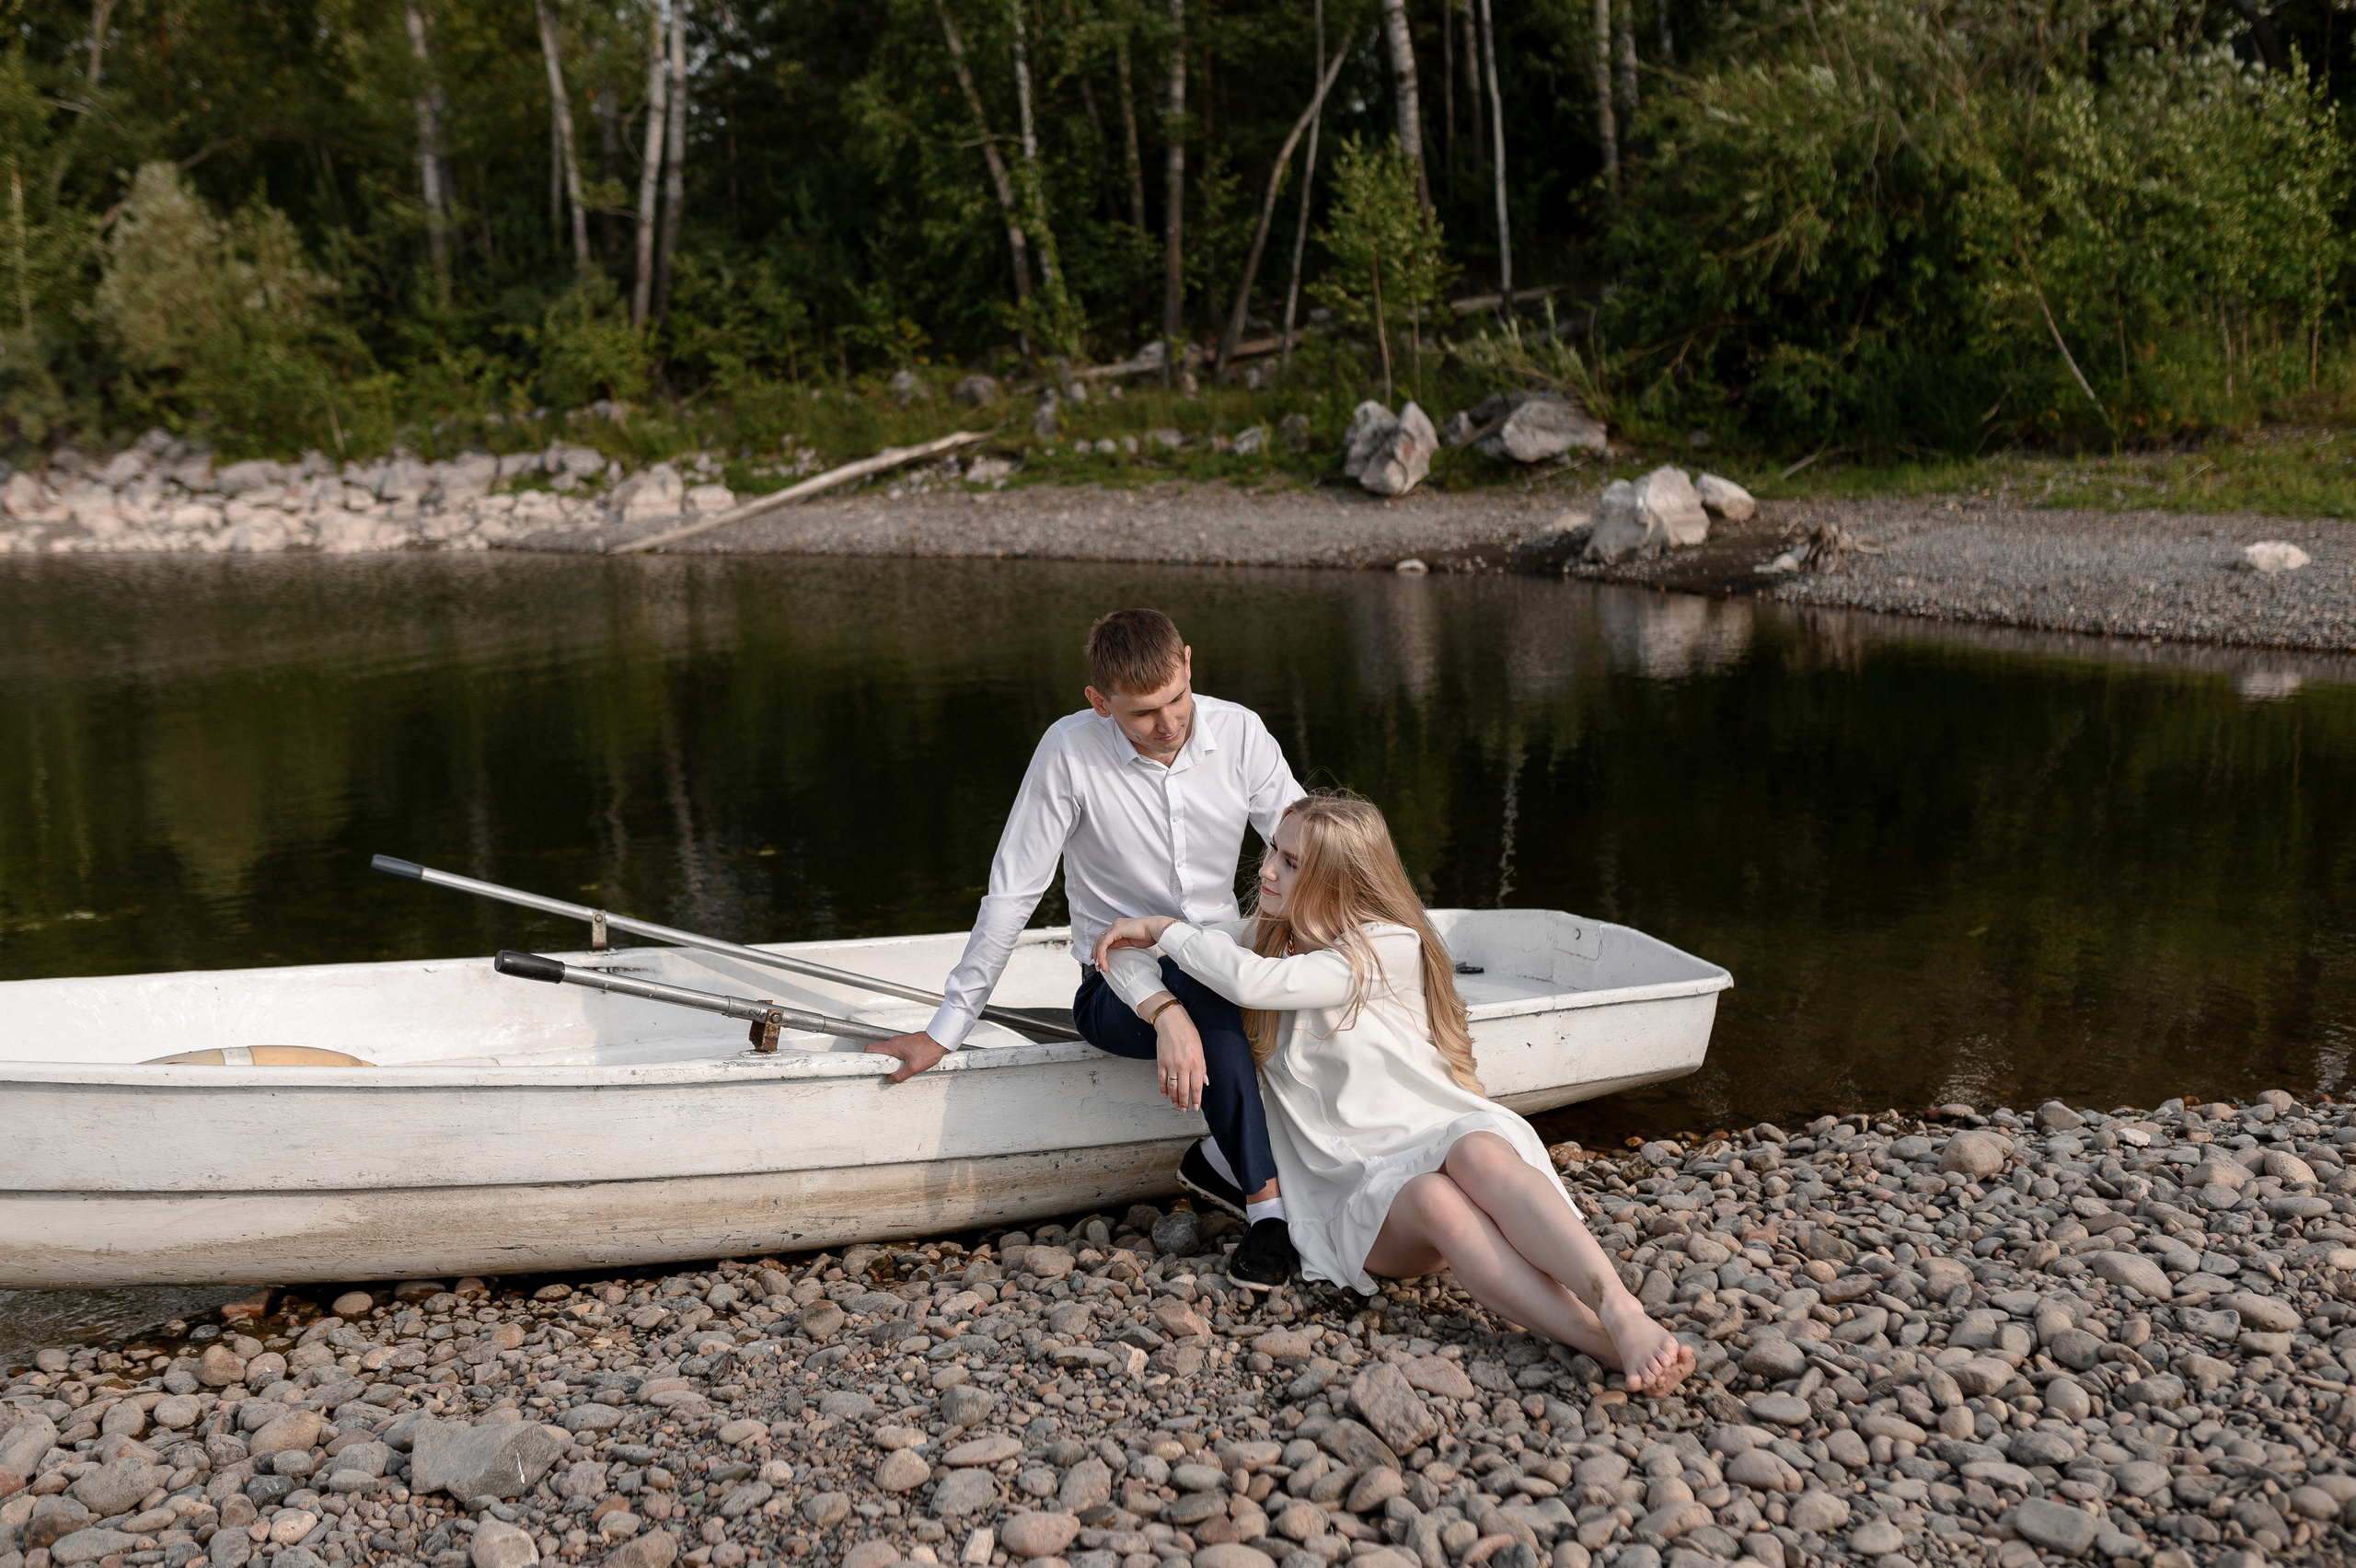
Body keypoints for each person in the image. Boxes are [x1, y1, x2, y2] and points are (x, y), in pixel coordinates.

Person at [1091, 792, 1694, 1393]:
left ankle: (1620, 1309)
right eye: (1272, 850)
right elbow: (1117, 957)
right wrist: (1166, 1011)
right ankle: (1600, 1345)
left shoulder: (1386, 946)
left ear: (1343, 882)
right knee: (1434, 1198)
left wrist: (1166, 929)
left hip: (1435, 1135)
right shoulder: (1259, 939)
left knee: (1479, 1150)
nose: (1267, 870)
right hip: (1358, 1193)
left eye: (1293, 863)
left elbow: (1250, 983)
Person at [865, 608, 1308, 1290]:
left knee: (1221, 985)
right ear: (1098, 703)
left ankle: (1224, 1161)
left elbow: (1314, 849)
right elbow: (1012, 894)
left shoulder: (1240, 731)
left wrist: (1376, 950)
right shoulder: (1068, 752)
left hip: (1222, 964)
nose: (1167, 724)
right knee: (1209, 999)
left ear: (1188, 662)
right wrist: (947, 1028)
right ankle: (1268, 1211)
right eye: (1140, 714)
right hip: (1113, 988)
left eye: (1176, 699)